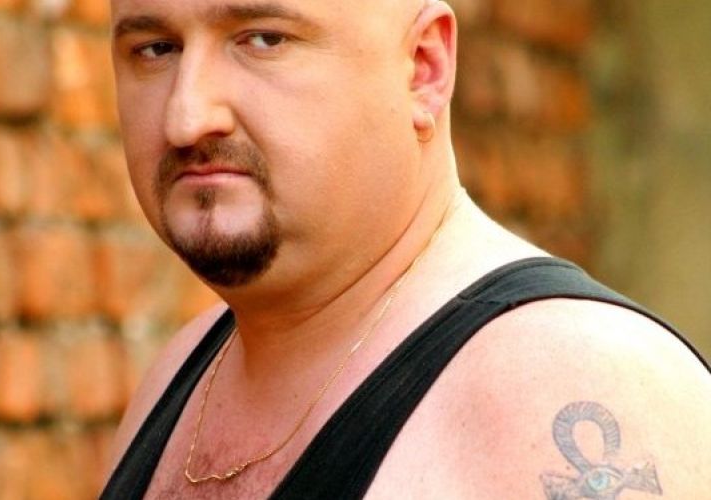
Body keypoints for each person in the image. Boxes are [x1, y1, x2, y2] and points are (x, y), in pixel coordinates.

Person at [101, 0, 711, 498]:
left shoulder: (566, 385)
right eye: (156, 49)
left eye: (263, 40)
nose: (187, 117)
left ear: (423, 68)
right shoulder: (179, 376)